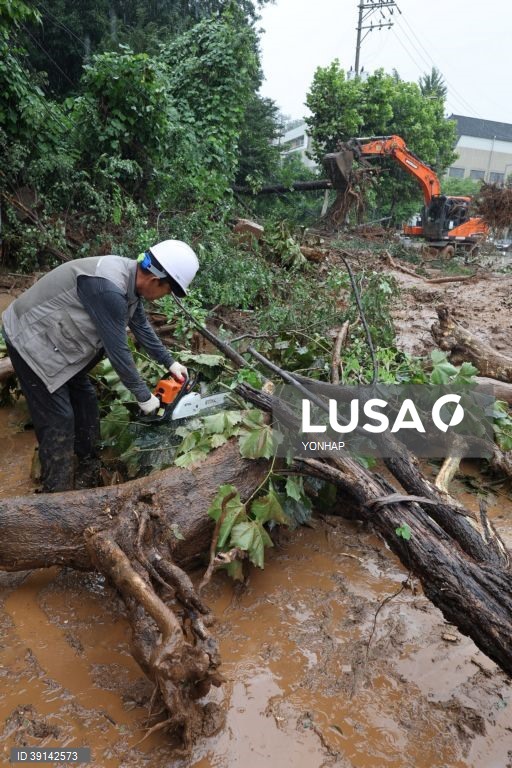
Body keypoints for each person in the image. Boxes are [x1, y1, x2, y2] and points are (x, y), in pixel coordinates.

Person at [1, 239, 199, 493]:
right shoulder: (108, 289)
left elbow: (141, 327)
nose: (165, 297)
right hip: (30, 340)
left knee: (86, 401)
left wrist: (169, 362)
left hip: (60, 346)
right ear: (155, 281)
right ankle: (55, 495)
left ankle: (88, 468)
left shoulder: (130, 284)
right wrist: (143, 396)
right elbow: (118, 352)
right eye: (168, 290)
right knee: (59, 418)